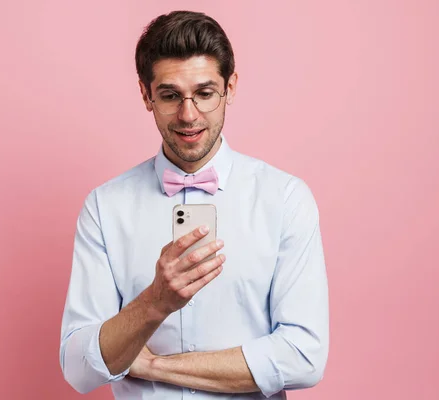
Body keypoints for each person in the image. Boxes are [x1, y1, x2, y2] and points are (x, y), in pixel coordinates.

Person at [59, 10, 329, 399]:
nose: (189, 115)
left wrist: (154, 366)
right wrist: (155, 302)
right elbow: (78, 367)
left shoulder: (285, 199)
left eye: (204, 93)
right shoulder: (105, 207)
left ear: (230, 88)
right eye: (170, 95)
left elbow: (304, 356)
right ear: (146, 95)